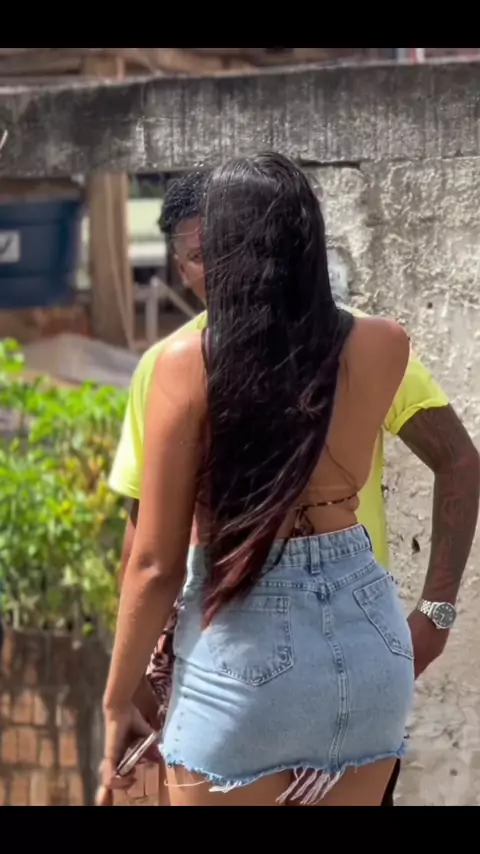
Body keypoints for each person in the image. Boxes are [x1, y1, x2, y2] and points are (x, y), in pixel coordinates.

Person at [107, 167, 480, 806]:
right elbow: (459, 458)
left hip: (243, 640)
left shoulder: (185, 365)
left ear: (229, 248)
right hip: (368, 638)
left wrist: (118, 698)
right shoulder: (382, 344)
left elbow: (155, 562)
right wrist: (436, 614)